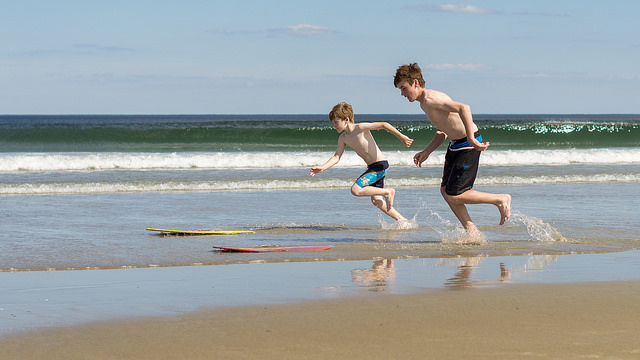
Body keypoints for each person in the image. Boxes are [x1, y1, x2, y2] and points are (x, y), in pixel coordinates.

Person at [393, 63, 511, 236]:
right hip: (456, 145)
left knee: (456, 195)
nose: (402, 94)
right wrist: (427, 151)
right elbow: (443, 130)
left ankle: (500, 199)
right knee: (445, 191)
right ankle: (471, 231)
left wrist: (471, 137)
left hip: (467, 144)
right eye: (400, 90)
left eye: (404, 88)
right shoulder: (424, 103)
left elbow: (464, 108)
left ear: (415, 83)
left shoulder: (431, 99)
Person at [310, 102, 414, 223]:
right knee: (376, 201)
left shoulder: (360, 128)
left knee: (356, 190)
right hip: (373, 167)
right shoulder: (343, 138)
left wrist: (401, 137)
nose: (334, 125)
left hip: (380, 165)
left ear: (346, 119)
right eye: (333, 122)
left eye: (336, 122)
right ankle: (403, 221)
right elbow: (337, 156)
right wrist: (322, 167)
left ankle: (388, 192)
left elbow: (384, 125)